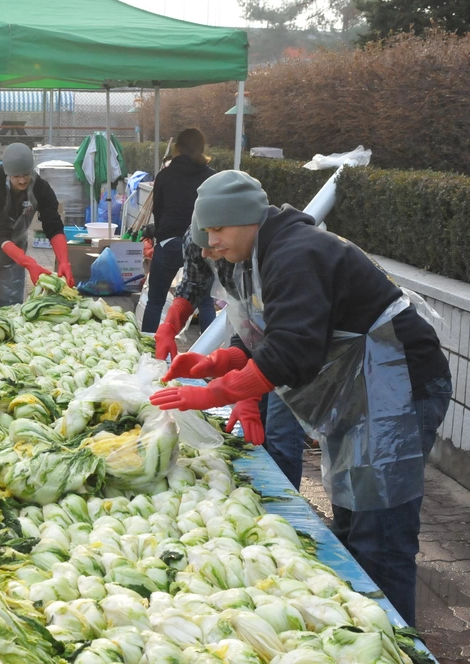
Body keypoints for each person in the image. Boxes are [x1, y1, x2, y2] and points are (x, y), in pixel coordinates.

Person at [150, 170, 452, 626]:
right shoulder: (260, 252)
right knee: (353, 522)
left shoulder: (295, 253)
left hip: (396, 384)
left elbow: (292, 352)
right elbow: (272, 332)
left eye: (218, 231)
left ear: (247, 218)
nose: (212, 244)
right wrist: (220, 361)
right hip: (359, 388)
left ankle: (394, 643)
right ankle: (359, 632)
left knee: (382, 537)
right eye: (206, 233)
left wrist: (217, 391)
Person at [155, 221, 308, 487]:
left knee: (282, 433)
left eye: (214, 242)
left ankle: (284, 495)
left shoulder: (270, 258)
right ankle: (260, 487)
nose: (206, 253)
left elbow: (283, 343)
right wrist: (170, 325)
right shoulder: (202, 241)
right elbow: (246, 319)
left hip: (296, 356)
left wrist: (230, 389)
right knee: (256, 430)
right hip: (262, 346)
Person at [0, 143, 74, 306]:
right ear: (7, 173)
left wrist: (64, 261)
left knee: (12, 308)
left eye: (26, 175)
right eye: (16, 176)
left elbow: (53, 224)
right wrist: (29, 263)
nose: (23, 180)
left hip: (13, 254)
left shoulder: (40, 188)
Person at [140, 128, 216, 334]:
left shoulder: (165, 175)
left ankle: (149, 349)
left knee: (155, 301)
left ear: (178, 148)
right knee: (206, 302)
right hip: (200, 244)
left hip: (169, 242)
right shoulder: (211, 178)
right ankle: (206, 351)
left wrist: (160, 234)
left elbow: (158, 212)